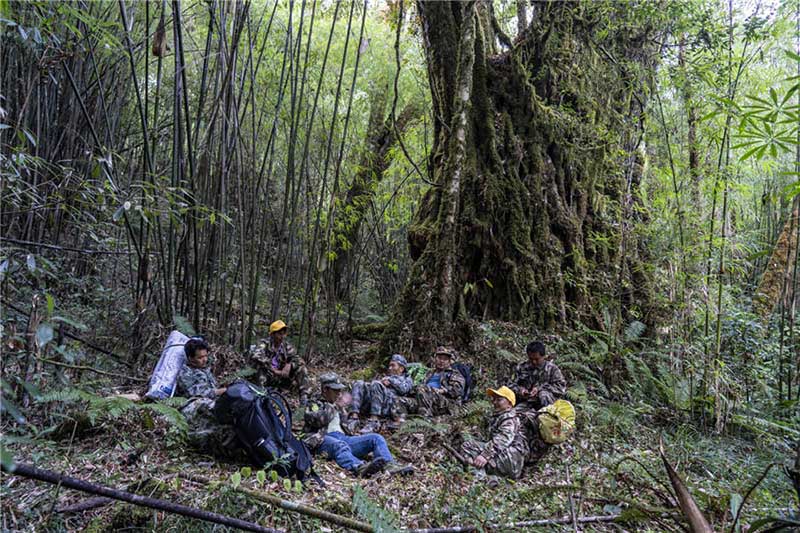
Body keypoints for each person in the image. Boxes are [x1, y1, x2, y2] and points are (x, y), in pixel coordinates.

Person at [303, 373, 412, 477]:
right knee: (340, 445)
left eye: (340, 390)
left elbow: (347, 427)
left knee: (376, 438)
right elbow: (317, 420)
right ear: (325, 389)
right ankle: (359, 467)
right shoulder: (314, 403)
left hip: (343, 438)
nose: (339, 394)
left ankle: (390, 465)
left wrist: (346, 412)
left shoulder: (337, 404)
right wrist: (334, 406)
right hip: (322, 440)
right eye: (335, 390)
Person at [175, 338, 239, 458]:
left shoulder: (205, 370)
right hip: (192, 406)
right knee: (209, 406)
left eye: (205, 356)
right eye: (200, 357)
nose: (204, 360)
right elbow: (195, 393)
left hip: (208, 402)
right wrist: (220, 392)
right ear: (190, 358)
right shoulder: (185, 373)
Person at [460, 386, 529, 479]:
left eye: (499, 400)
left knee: (467, 447)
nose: (495, 402)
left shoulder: (509, 418)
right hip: (509, 459)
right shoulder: (501, 416)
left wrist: (485, 455)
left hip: (509, 459)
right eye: (494, 399)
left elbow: (503, 438)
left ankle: (479, 480)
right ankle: (491, 479)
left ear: (509, 404)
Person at [250, 320, 310, 403]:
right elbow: (256, 355)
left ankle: (304, 398)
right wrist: (272, 369)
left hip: (280, 378)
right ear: (272, 335)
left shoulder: (286, 346)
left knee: (302, 368)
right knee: (260, 367)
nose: (282, 336)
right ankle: (261, 397)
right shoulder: (264, 344)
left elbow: (298, 359)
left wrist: (289, 365)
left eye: (283, 334)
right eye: (279, 334)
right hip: (267, 376)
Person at [349, 354, 413, 431]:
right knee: (359, 383)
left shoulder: (407, 379)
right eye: (390, 366)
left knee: (376, 384)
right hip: (375, 403)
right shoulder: (387, 377)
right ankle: (354, 417)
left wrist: (391, 381)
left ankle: (374, 420)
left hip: (389, 406)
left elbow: (404, 390)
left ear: (401, 368)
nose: (390, 368)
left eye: (393, 366)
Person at [398, 346, 465, 417]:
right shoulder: (429, 373)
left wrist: (444, 391)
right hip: (423, 398)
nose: (441, 361)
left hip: (445, 403)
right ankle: (401, 423)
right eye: (439, 358)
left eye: (445, 359)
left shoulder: (454, 374)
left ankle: (426, 420)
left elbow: (458, 390)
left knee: (422, 388)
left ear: (449, 361)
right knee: (400, 400)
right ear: (435, 359)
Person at [509, 341, 566, 411]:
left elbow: (561, 387)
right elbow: (510, 385)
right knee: (514, 413)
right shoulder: (521, 367)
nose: (534, 362)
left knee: (543, 394)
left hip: (546, 403)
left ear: (543, 356)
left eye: (536, 359)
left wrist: (540, 389)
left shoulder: (552, 369)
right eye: (531, 359)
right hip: (526, 402)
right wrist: (520, 390)